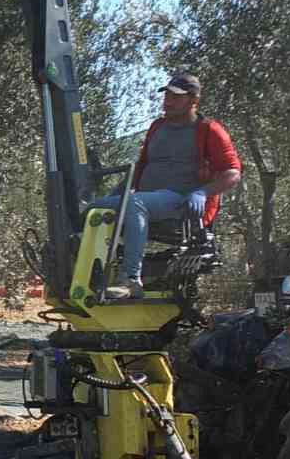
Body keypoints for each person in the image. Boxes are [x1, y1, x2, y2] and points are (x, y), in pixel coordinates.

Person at [91, 72, 243, 300]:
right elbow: (141, 167)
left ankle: (131, 280)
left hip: (181, 201)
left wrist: (202, 192)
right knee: (92, 209)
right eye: (167, 95)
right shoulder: (157, 126)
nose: (167, 101)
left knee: (134, 204)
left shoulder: (209, 130)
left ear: (193, 100)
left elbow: (233, 172)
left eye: (176, 97)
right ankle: (90, 277)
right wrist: (112, 198)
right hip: (147, 199)